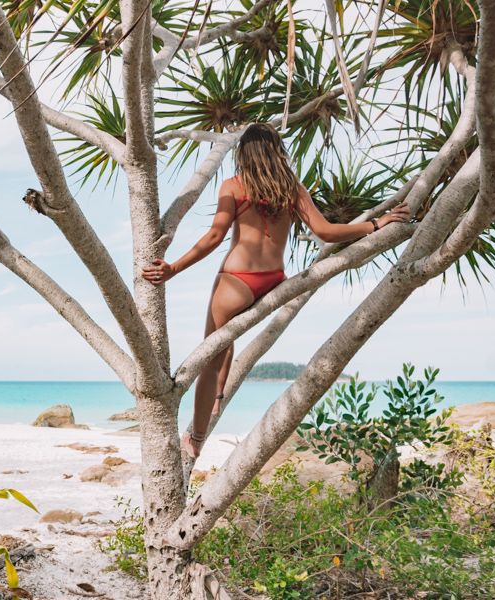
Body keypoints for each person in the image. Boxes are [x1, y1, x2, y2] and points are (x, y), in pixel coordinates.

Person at [142, 122, 410, 458]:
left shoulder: (234, 186)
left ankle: (195, 439)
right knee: (227, 342)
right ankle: (219, 398)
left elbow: (214, 237)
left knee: (211, 356)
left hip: (237, 281)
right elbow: (326, 231)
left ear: (243, 153)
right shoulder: (292, 188)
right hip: (273, 280)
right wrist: (376, 223)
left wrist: (173, 269)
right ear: (276, 152)